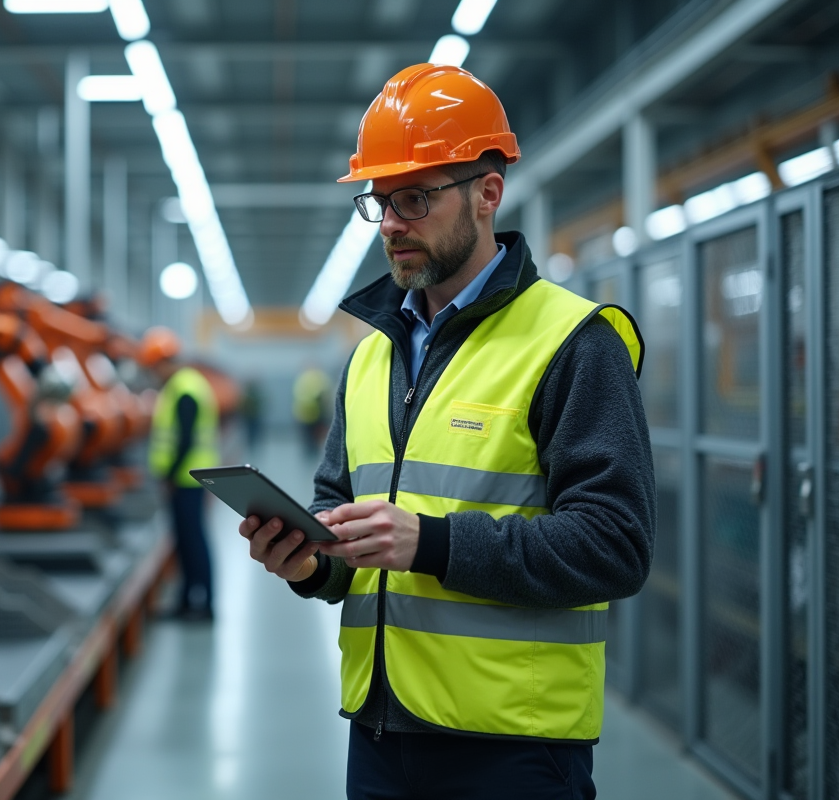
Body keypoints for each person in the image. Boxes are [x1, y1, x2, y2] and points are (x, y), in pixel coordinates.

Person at [239, 63, 655, 799]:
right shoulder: (371, 356)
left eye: (415, 199)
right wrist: (310, 563)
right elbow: (345, 530)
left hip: (512, 748)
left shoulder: (571, 341)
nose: (392, 223)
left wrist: (431, 541)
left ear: (487, 193)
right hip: (378, 732)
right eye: (379, 202)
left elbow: (615, 546)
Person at [143, 326, 219, 622]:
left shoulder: (185, 389)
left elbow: (185, 440)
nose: (153, 374)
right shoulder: (184, 385)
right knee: (185, 541)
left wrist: (169, 477)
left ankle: (205, 604)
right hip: (185, 479)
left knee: (194, 541)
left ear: (164, 362)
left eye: (153, 367)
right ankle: (188, 601)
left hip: (186, 480)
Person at [293, 366, 332, 456]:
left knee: (310, 439)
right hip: (312, 414)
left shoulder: (303, 378)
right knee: (312, 438)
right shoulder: (320, 378)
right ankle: (312, 453)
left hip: (309, 414)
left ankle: (310, 454)